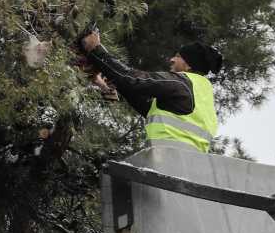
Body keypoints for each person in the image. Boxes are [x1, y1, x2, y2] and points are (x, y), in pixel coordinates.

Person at [78, 29, 223, 153]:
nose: (171, 59)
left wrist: (96, 49)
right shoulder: (204, 97)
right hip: (183, 167)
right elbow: (145, 104)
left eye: (178, 56)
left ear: (189, 65)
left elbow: (132, 79)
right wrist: (105, 81)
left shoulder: (182, 83)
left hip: (167, 159)